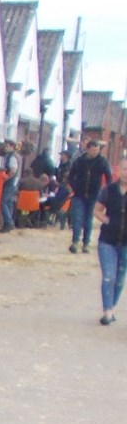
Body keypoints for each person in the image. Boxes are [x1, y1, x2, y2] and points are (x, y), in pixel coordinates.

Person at [66, 133, 109, 253]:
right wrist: (75, 188)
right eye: (93, 150)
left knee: (88, 220)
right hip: (79, 195)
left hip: (94, 194)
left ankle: (85, 244)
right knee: (77, 218)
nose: (96, 152)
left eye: (97, 150)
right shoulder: (79, 161)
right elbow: (70, 176)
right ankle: (75, 243)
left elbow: (108, 176)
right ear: (88, 149)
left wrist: (106, 190)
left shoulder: (102, 161)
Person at [96, 166, 126, 323]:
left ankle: (112, 306)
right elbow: (97, 210)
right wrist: (107, 221)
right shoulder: (109, 190)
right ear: (120, 171)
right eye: (125, 169)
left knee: (120, 278)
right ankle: (107, 311)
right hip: (107, 240)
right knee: (109, 276)